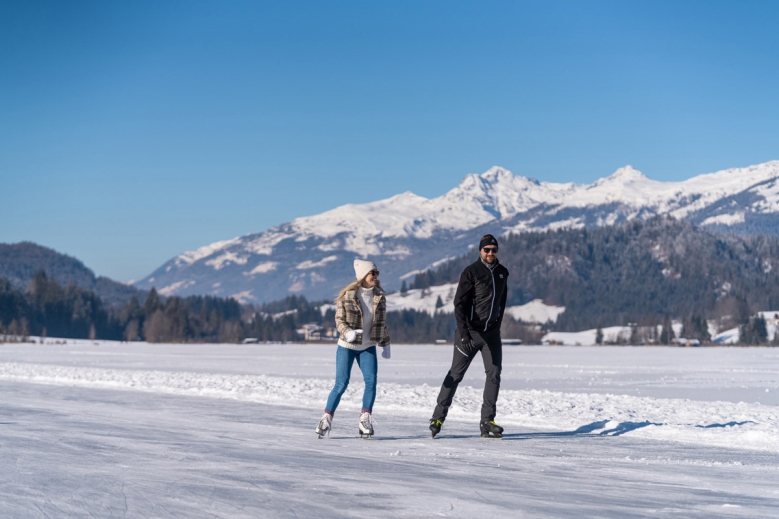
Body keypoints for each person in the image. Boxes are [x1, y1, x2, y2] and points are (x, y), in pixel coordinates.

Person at [429, 234, 509, 438]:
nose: (491, 253)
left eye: (494, 249)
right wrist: (464, 333)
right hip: (469, 333)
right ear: (480, 251)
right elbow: (459, 305)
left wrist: (496, 326)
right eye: (487, 250)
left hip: (490, 334)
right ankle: (438, 417)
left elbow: (501, 303)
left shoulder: (502, 273)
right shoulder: (471, 272)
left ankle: (487, 422)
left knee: (494, 374)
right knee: (456, 374)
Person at [315, 259, 391, 438]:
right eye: (373, 273)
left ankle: (365, 418)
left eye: (377, 273)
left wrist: (385, 343)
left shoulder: (379, 296)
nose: (376, 276)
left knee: (371, 381)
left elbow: (381, 323)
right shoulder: (348, 296)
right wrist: (347, 331)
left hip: (368, 345)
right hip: (347, 346)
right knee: (341, 383)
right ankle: (326, 418)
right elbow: (339, 320)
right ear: (364, 276)